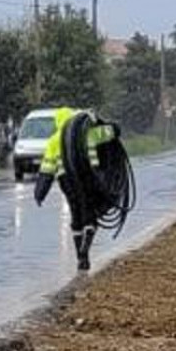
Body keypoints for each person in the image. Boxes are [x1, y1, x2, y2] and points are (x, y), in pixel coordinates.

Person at [33, 107, 119, 271]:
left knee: (76, 214)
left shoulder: (53, 141)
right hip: (88, 176)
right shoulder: (85, 133)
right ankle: (85, 248)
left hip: (66, 181)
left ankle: (81, 256)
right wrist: (114, 127)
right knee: (91, 213)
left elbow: (47, 169)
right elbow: (111, 132)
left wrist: (40, 192)